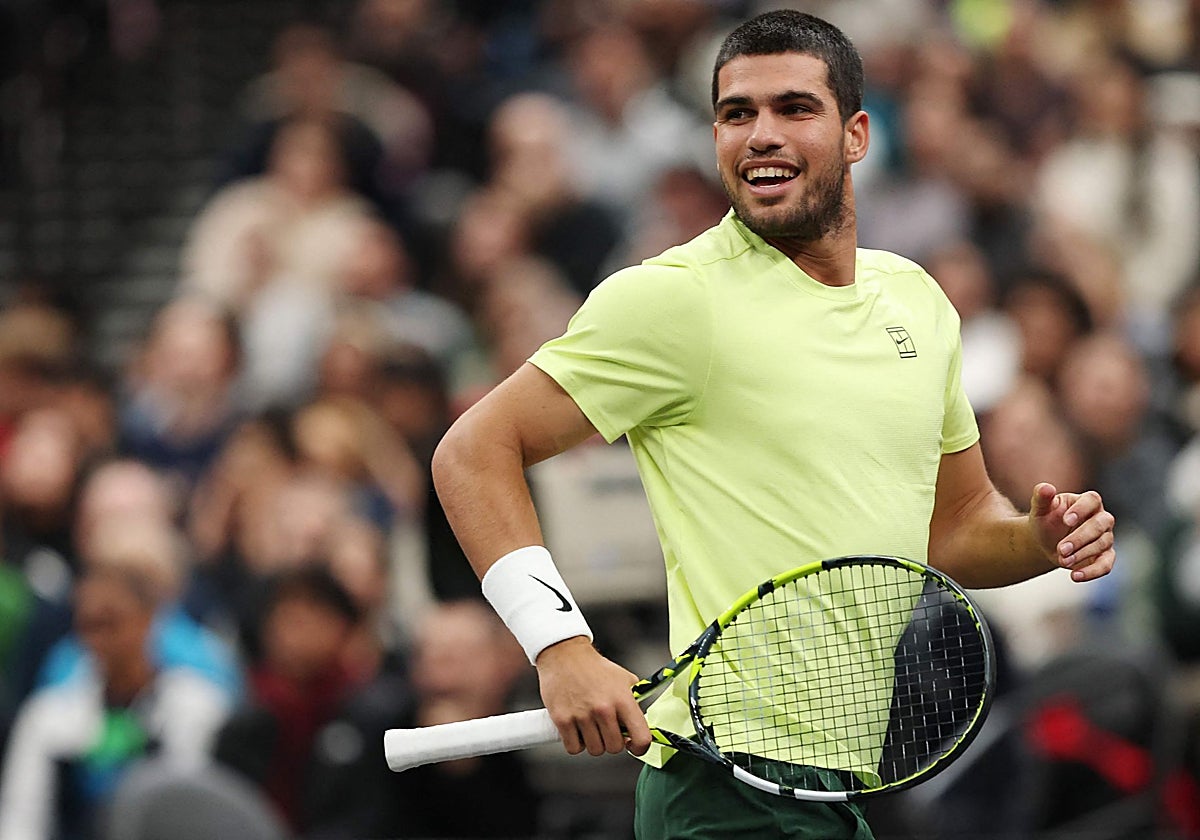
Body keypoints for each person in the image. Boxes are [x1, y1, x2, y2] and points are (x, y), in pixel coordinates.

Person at [430, 10, 1117, 839]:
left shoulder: (916, 302)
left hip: (831, 792)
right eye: (735, 113)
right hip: (727, 789)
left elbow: (957, 526)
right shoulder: (674, 300)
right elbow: (473, 451)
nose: (760, 134)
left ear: (856, 134)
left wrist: (1038, 543)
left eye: (794, 108)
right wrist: (560, 648)